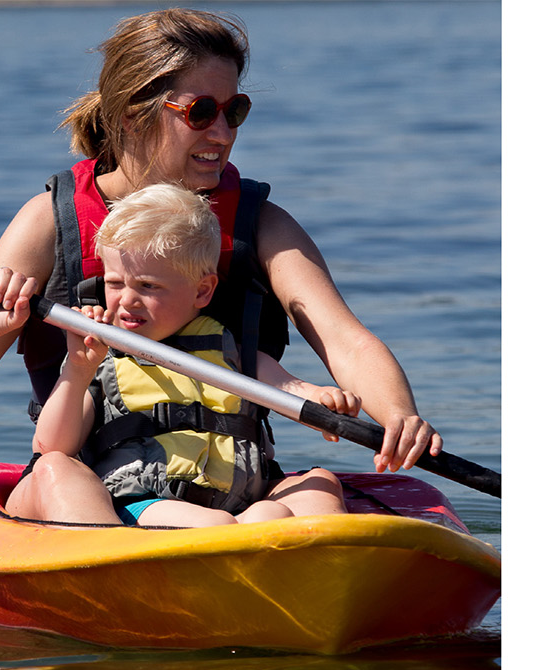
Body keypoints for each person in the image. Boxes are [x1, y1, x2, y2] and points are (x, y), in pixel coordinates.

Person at [0, 8, 442, 525]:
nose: (222, 133)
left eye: (233, 111)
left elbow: (346, 341)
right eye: (200, 112)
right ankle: (124, 575)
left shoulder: (262, 225)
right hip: (96, 488)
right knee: (58, 474)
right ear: (133, 114)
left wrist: (399, 416)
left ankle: (281, 567)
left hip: (233, 489)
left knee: (319, 487)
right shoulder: (46, 224)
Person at [33, 183, 359, 527]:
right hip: (144, 504)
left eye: (148, 286)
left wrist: (322, 399)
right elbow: (51, 447)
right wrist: (78, 371)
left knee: (317, 485)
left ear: (202, 291)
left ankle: (319, 557)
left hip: (237, 501)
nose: (126, 300)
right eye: (115, 283)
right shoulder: (100, 355)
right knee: (221, 524)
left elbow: (288, 387)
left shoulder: (228, 349)